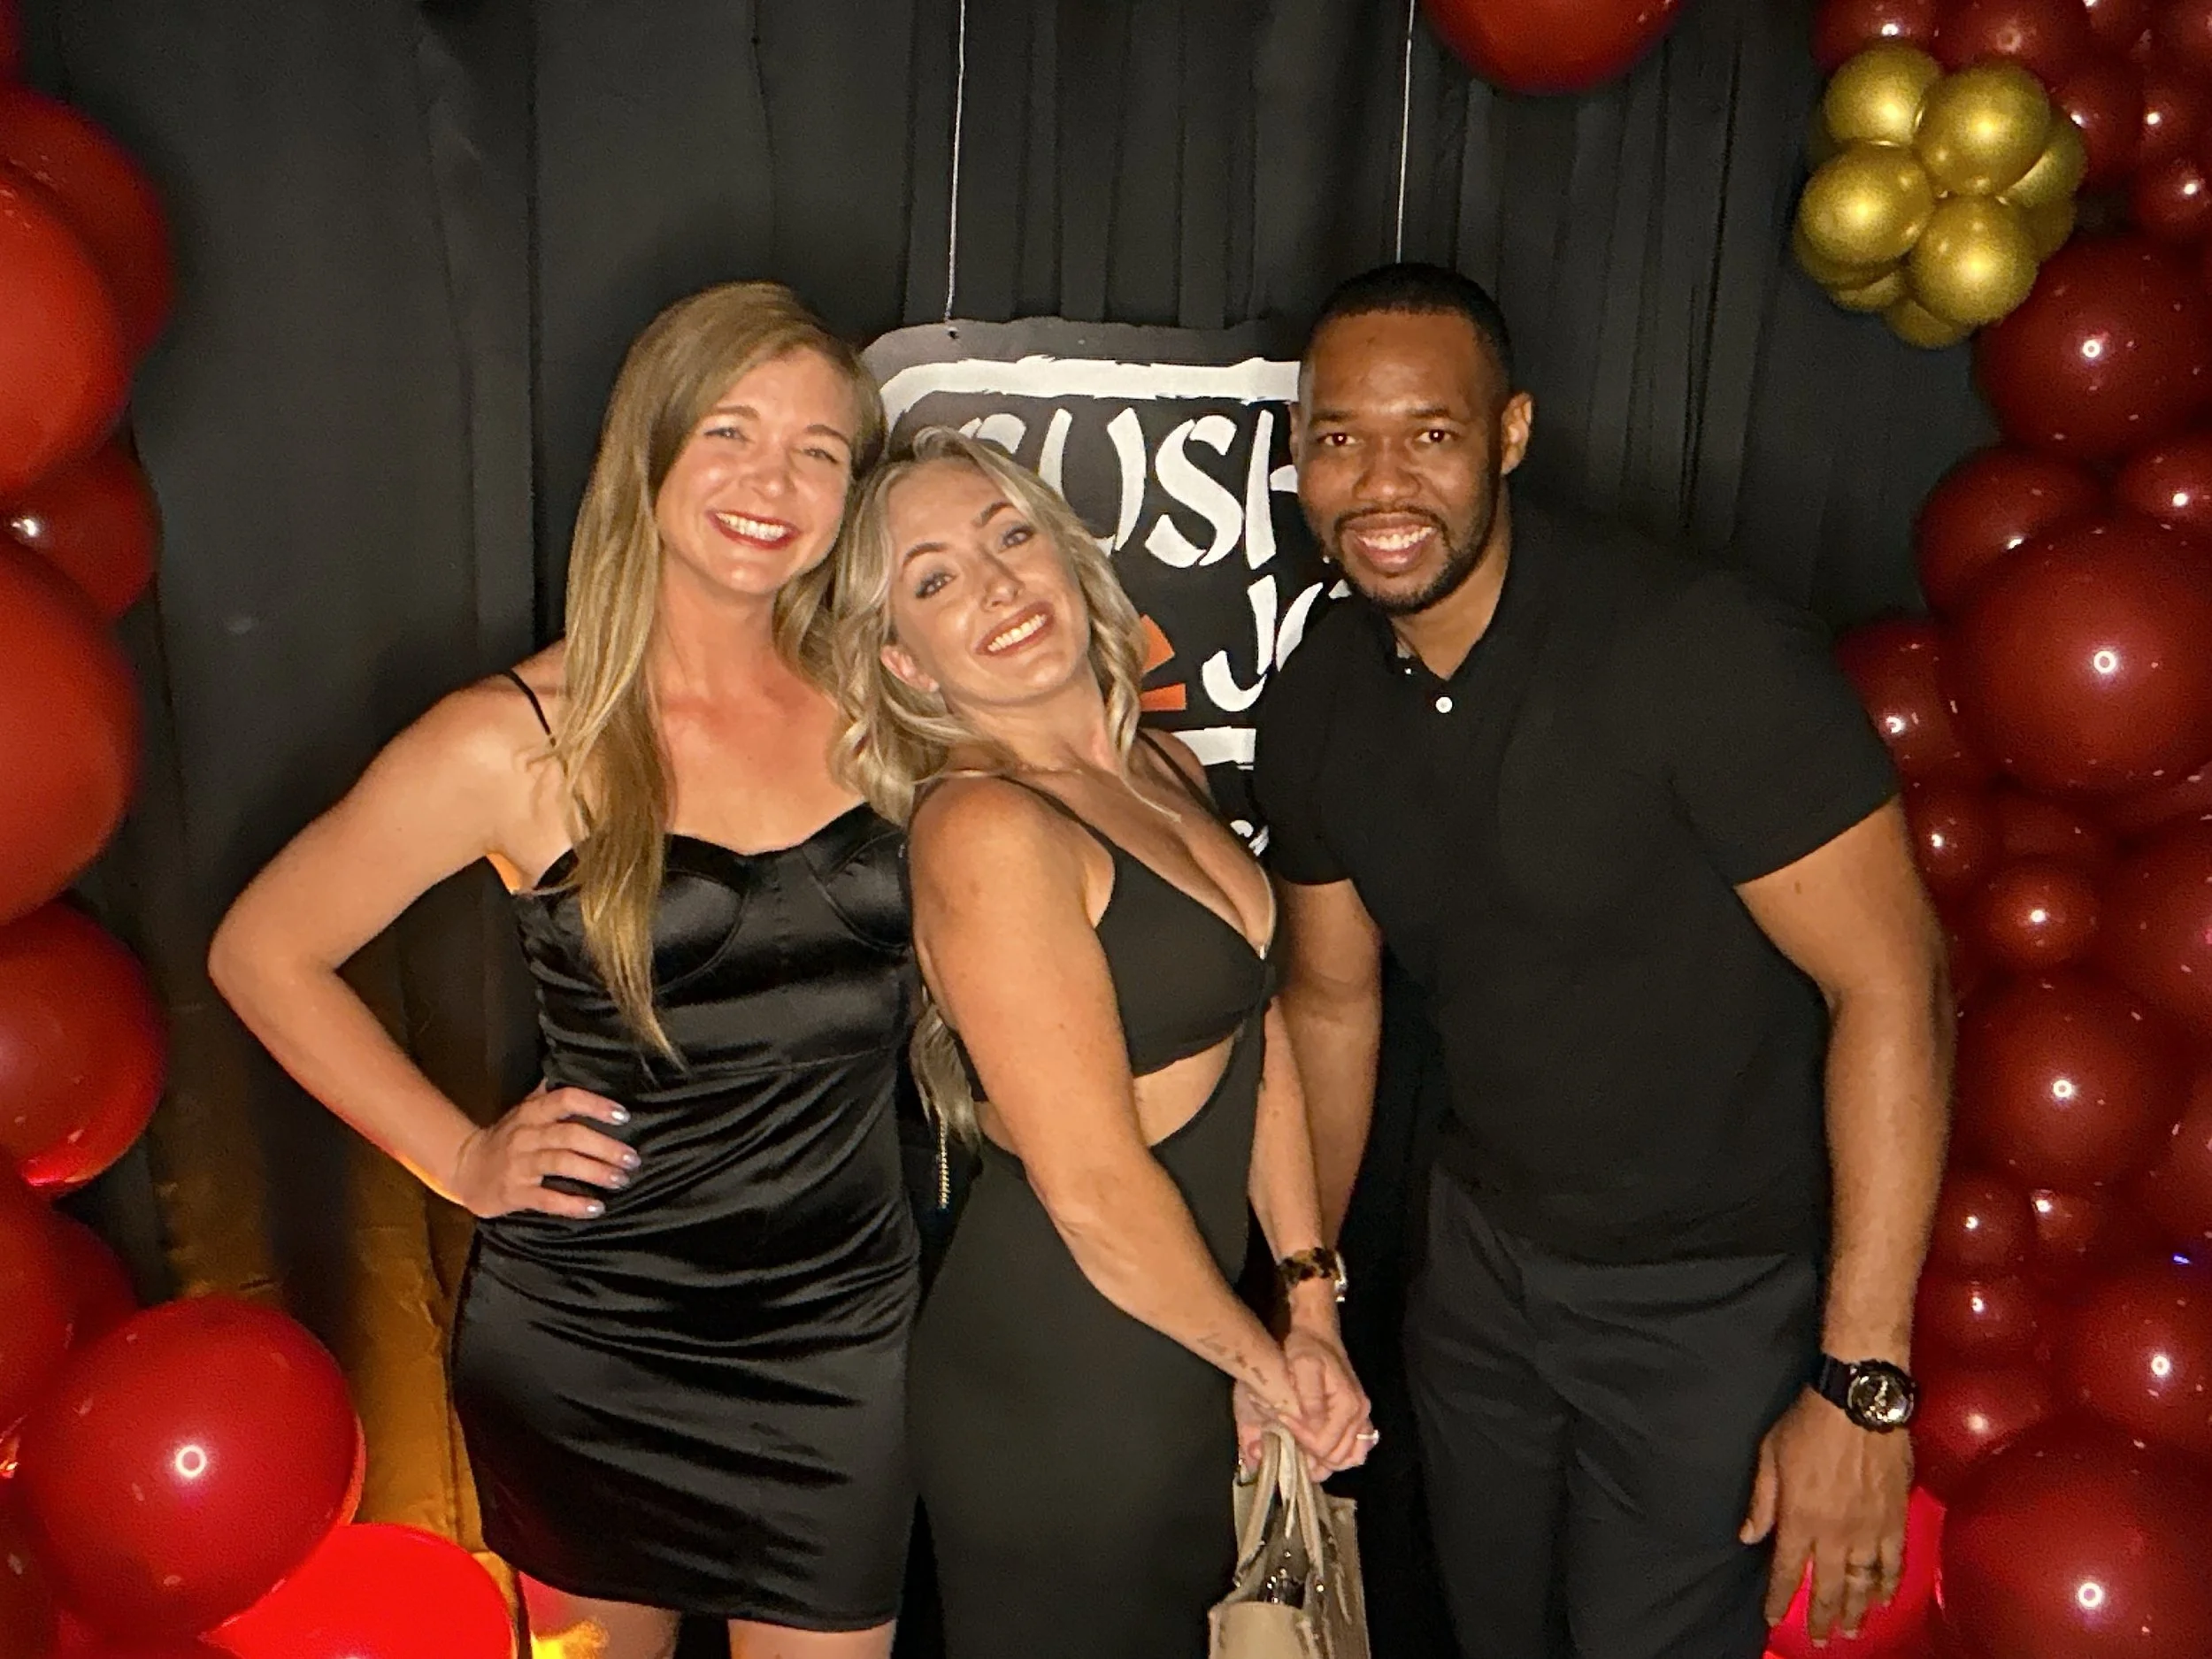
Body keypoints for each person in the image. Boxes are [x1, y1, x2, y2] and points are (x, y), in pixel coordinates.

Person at [208, 282, 918, 1659]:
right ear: (647, 451)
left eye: (818, 451)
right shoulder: (512, 739)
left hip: (842, 1338)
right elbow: (262, 950)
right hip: (598, 1343)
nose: (772, 480)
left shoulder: (884, 703)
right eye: (730, 431)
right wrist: (462, 1156)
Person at [1254, 264, 1949, 1659]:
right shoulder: (1327, 681)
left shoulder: (1693, 647)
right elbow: (1332, 1001)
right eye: (1340, 438)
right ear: (1297, 455)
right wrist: (1307, 1292)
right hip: (1484, 1270)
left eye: (1430, 435)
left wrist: (1864, 1380)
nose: (1381, 480)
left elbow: (1893, 986)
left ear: (1510, 434)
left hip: (1716, 1293)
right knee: (1489, 1629)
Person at [827, 428, 1376, 1659]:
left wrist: (1307, 1301)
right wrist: (1267, 1363)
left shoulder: (1156, 762)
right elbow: (1087, 1186)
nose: (998, 586)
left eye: (1011, 536)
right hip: (1066, 1389)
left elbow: (1258, 1024)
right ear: (904, 663)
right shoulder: (981, 826)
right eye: (934, 579)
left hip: (1196, 1343)